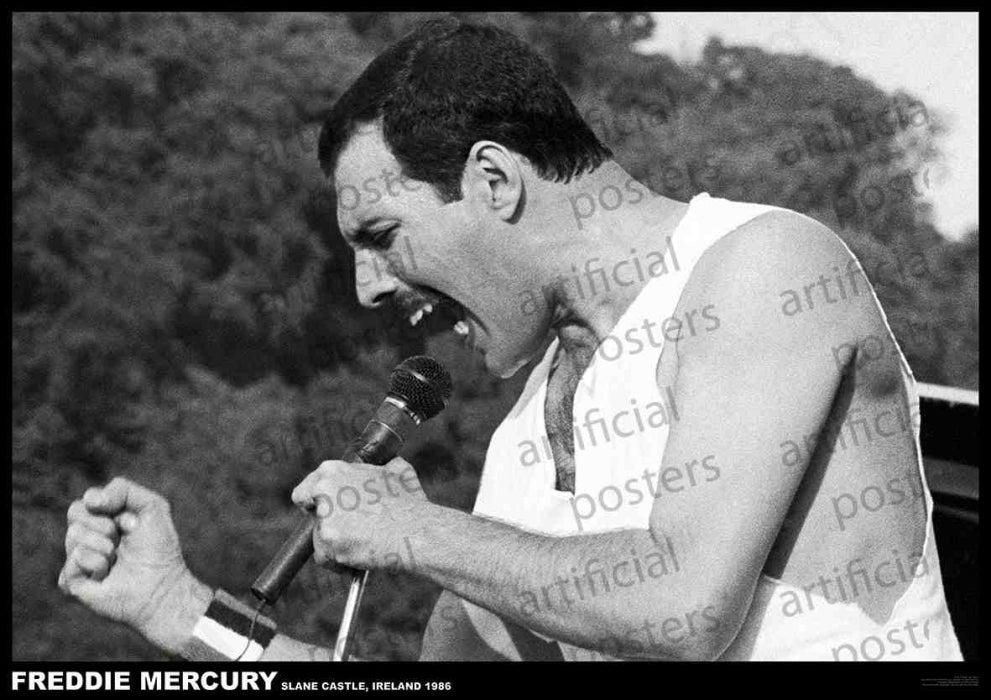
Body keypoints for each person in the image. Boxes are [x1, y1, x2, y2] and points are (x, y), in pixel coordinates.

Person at [60, 17, 962, 662]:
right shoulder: (525, 436)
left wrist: (415, 532)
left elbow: (683, 607)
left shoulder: (764, 267)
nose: (369, 288)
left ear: (492, 180)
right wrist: (178, 611)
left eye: (379, 236)